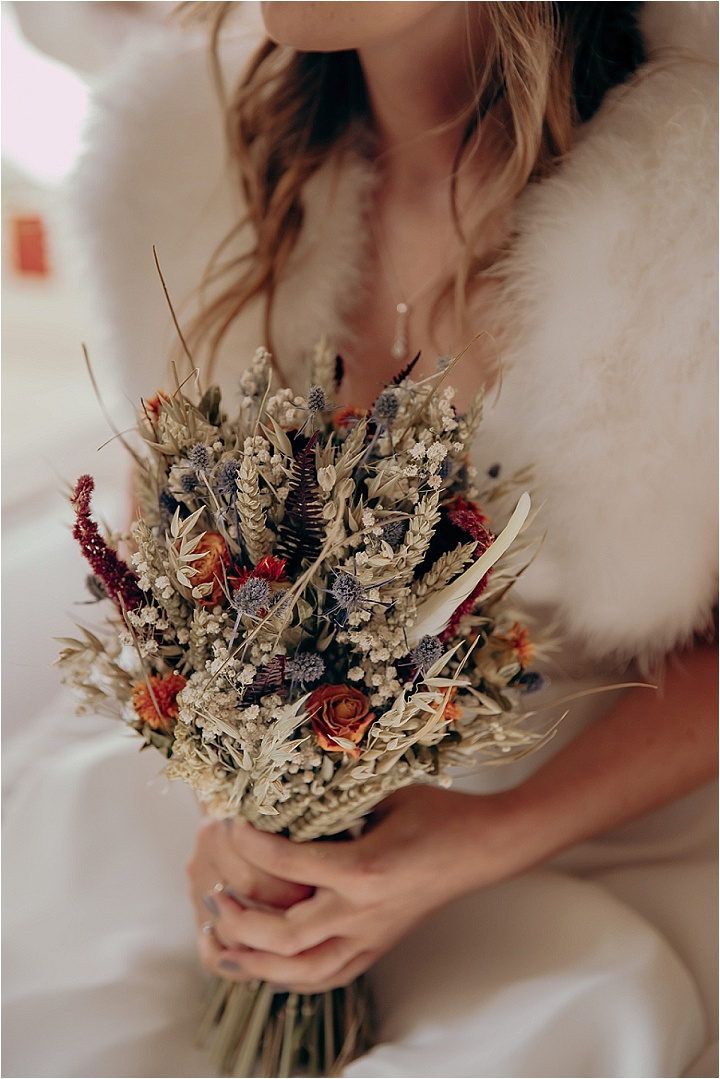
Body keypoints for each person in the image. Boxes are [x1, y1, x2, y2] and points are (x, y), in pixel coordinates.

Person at [3, 3, 717, 1077]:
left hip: (604, 797)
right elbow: (188, 558)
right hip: (290, 803)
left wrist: (480, 839)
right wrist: (246, 812)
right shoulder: (190, 160)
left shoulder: (688, 208)